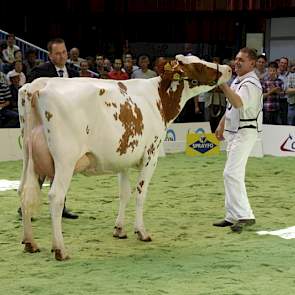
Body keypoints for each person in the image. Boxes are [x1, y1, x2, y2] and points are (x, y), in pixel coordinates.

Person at [24, 38, 79, 219]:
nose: (62, 56)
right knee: (41, 166)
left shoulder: (74, 72)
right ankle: (26, 207)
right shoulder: (39, 72)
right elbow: (29, 94)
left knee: (63, 167)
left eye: (64, 52)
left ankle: (60, 207)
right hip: (44, 128)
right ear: (50, 55)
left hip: (68, 128)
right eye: (57, 53)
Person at [213, 48, 263, 233]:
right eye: (236, 59)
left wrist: (223, 84)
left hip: (245, 132)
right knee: (233, 174)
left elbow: (238, 103)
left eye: (241, 59)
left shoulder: (251, 83)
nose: (237, 62)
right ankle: (232, 215)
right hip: (234, 131)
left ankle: (245, 215)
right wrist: (221, 125)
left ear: (252, 63)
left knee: (231, 173)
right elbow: (230, 107)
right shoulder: (238, 80)